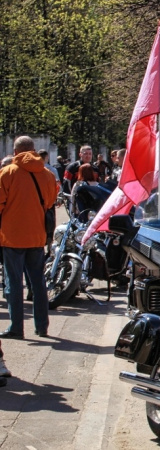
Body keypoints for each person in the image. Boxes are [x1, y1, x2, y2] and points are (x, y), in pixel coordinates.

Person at [0, 136, 59, 339]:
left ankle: (16, 327)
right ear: (34, 150)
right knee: (38, 282)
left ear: (15, 152)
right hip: (37, 236)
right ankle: (41, 327)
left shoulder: (7, 173)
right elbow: (50, 202)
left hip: (12, 236)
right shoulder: (48, 175)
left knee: (14, 283)